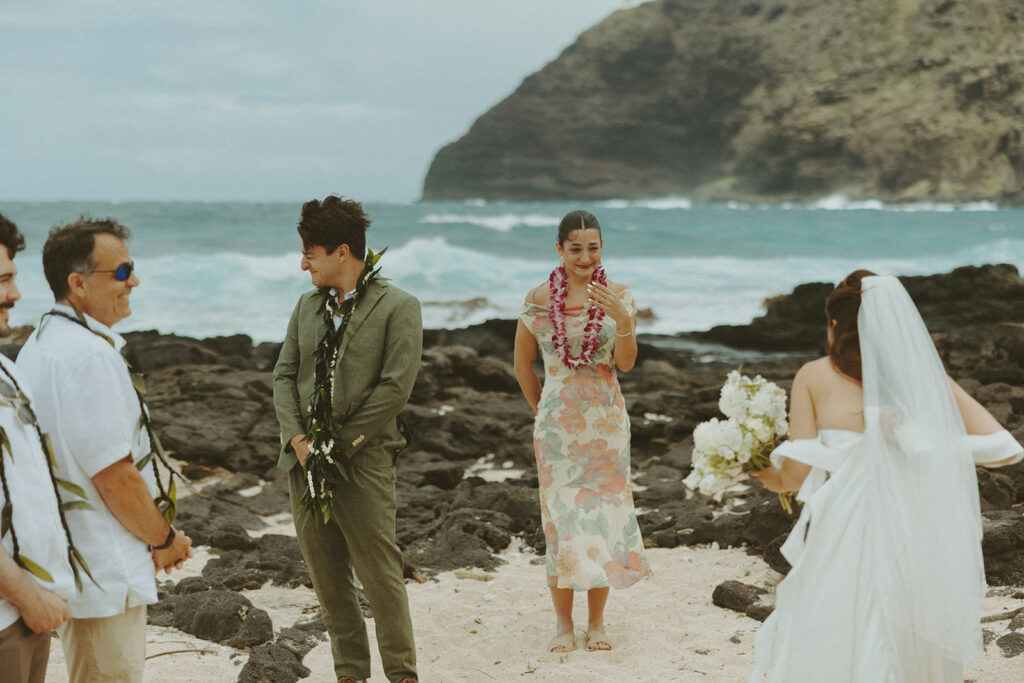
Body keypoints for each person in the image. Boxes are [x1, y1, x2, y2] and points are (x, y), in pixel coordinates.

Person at [749, 270, 1024, 682]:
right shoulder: (923, 380)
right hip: (910, 530)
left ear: (836, 325)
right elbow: (1005, 449)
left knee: (839, 629)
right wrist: (916, 443)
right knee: (902, 631)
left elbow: (792, 477)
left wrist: (758, 470)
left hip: (845, 533)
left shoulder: (815, 375)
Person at [16, 218, 193, 683]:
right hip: (102, 564)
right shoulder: (88, 356)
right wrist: (164, 539)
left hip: (73, 558)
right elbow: (114, 475)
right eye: (120, 272)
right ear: (78, 283)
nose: (133, 281)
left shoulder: (41, 344)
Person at [272, 195, 421, 683]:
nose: (303, 264)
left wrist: (338, 445)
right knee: (330, 583)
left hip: (364, 461)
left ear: (341, 251)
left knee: (380, 578)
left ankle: (402, 675)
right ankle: (350, 675)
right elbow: (284, 376)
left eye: (309, 253)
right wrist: (298, 440)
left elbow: (395, 388)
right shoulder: (306, 306)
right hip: (302, 463)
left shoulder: (399, 306)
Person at [513, 209, 651, 653]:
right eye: (576, 248)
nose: (585, 256)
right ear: (559, 249)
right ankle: (561, 625)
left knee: (601, 522)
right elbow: (522, 363)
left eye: (593, 247)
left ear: (602, 248)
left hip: (606, 427)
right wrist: (544, 409)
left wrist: (623, 321)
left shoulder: (620, 296)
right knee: (560, 525)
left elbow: (626, 363)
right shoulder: (537, 299)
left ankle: (597, 624)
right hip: (556, 432)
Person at [0, 213, 75, 683]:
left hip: (27, 611)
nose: (15, 294)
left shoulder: (9, 371)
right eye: (3, 280)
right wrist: (28, 597)